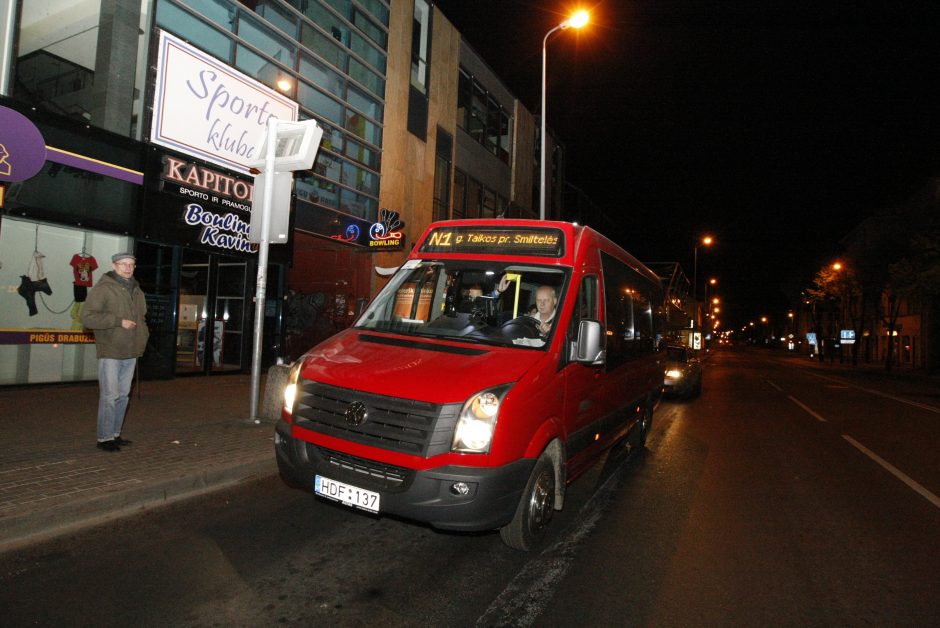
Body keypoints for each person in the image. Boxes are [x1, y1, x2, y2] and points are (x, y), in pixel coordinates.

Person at [81, 252, 149, 452]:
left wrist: (143, 336)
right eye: (124, 264)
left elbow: (142, 318)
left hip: (131, 351)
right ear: (114, 265)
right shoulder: (103, 288)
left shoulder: (137, 290)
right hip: (111, 350)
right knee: (110, 396)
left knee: (123, 396)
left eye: (131, 265)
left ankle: (115, 434)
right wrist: (118, 322)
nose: (128, 268)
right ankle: (104, 438)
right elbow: (87, 318)